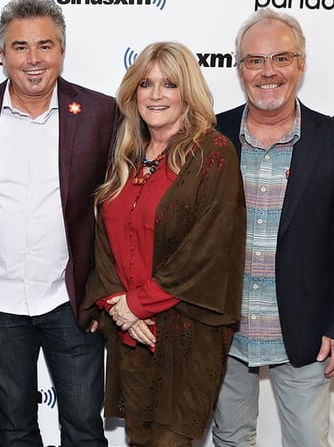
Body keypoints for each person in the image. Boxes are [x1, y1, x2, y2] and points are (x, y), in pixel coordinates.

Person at [0, 0, 118, 447]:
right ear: (2, 53)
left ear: (62, 50)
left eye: (46, 45)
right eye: (20, 47)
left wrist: (103, 292)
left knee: (84, 428)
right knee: (15, 429)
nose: (34, 59)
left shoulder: (101, 114)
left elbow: (114, 214)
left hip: (71, 301)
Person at [211, 8, 334, 447]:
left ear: (300, 65)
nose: (268, 72)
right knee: (229, 439)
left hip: (305, 335)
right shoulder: (210, 134)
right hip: (224, 332)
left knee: (307, 441)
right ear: (239, 68)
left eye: (281, 58)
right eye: (255, 61)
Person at [85, 42, 246, 446]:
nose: (156, 94)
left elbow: (208, 248)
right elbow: (104, 240)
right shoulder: (127, 154)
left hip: (185, 335)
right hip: (131, 334)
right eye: (146, 83)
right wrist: (119, 307)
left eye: (169, 84)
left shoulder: (213, 153)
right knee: (139, 441)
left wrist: (136, 305)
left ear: (186, 92)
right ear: (133, 93)